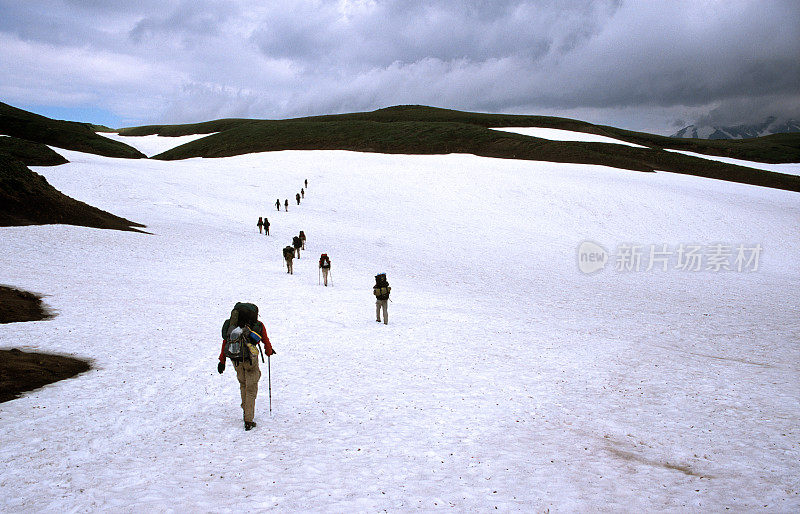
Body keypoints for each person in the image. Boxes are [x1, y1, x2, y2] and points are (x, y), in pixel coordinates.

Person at [217, 303, 275, 431]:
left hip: (236, 359)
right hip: (250, 359)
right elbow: (265, 340)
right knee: (251, 388)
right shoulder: (257, 326)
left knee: (243, 384)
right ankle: (248, 420)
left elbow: (225, 342)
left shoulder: (232, 328)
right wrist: (269, 351)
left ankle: (246, 412)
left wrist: (222, 361)